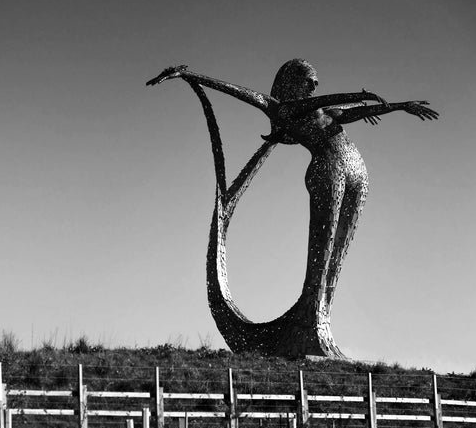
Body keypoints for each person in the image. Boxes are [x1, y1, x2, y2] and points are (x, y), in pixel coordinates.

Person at [146, 60, 438, 357]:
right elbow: (238, 91)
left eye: (316, 82)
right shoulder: (282, 109)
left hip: (356, 173)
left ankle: (320, 326)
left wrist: (399, 106)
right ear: (292, 80)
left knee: (336, 261)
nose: (314, 86)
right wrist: (189, 75)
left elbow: (351, 112)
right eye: (309, 80)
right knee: (321, 258)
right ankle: (308, 330)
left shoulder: (323, 111)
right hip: (329, 171)